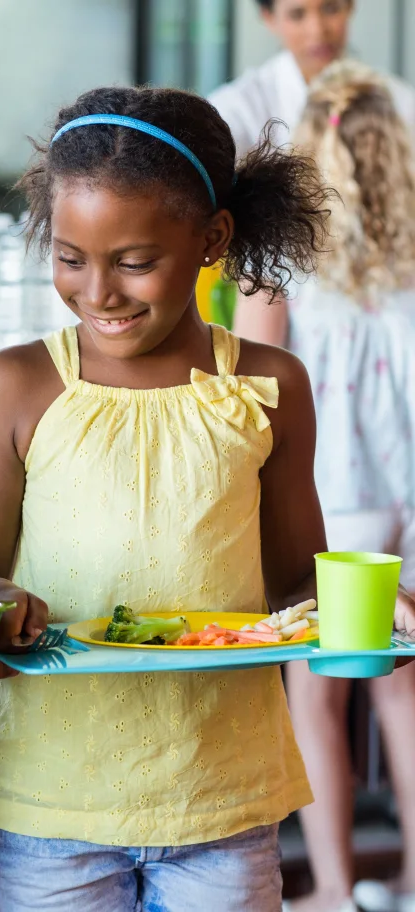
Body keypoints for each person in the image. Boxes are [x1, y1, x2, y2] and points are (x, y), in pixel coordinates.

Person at [0, 83, 415, 912]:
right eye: (69, 258)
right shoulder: (11, 387)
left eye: (134, 262)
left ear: (212, 239)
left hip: (223, 798)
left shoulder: (271, 384)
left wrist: (369, 603)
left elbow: (293, 586)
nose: (99, 293)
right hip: (52, 800)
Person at [234, 59, 415, 912]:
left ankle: (337, 888)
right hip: (410, 497)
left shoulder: (280, 263)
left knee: (315, 696)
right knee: (403, 691)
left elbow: (250, 386)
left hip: (333, 502)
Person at [209, 0, 415, 159]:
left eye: (330, 8)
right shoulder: (236, 109)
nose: (317, 31)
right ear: (269, 17)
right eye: (297, 15)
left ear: (350, 6)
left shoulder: (400, 103)